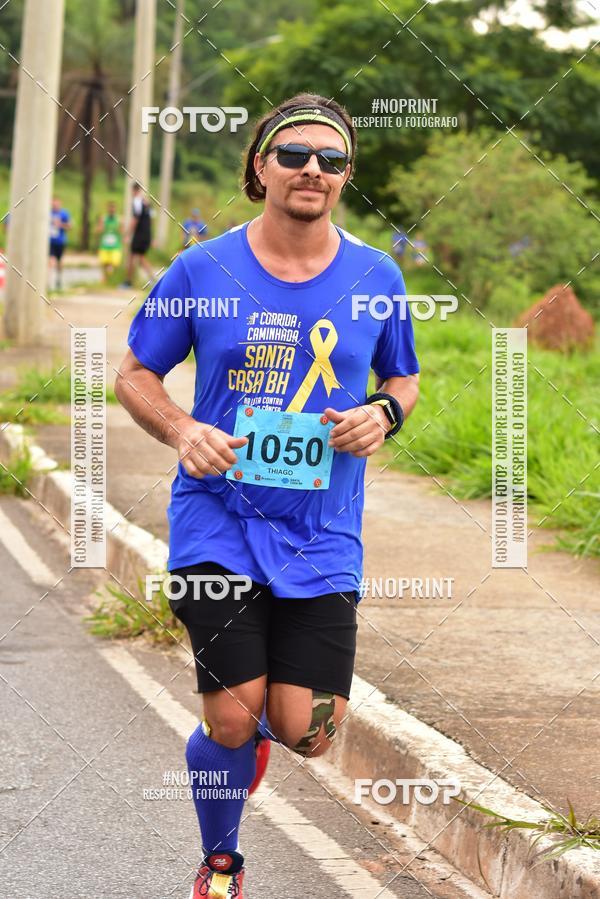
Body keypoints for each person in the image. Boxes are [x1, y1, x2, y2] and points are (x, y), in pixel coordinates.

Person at [115, 92, 420, 898]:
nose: (312, 169)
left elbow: (403, 376)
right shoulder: (202, 270)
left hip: (322, 532)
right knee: (230, 712)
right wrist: (183, 430)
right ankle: (221, 863)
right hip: (216, 518)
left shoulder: (377, 276)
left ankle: (245, 742)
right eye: (294, 154)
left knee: (305, 729)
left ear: (346, 175)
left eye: (331, 158)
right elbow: (135, 373)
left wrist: (382, 414)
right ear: (261, 165)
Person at [123, 182, 153, 287]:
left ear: (134, 190)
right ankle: (153, 279)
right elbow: (151, 219)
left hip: (139, 234)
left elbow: (135, 219)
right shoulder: (147, 202)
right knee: (141, 257)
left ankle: (128, 282)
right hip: (147, 233)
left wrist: (127, 233)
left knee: (131, 256)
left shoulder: (136, 201)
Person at [96, 201, 123, 281]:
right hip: (105, 245)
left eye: (113, 208)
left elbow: (122, 231)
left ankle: (112, 278)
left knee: (115, 263)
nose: (111, 210)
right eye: (110, 208)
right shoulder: (103, 219)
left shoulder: (119, 219)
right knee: (104, 263)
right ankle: (106, 279)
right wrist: (101, 225)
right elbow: (98, 230)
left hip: (115, 246)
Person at [49, 197, 71, 289]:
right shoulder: (48, 213)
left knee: (59, 261)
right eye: (53, 203)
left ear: (60, 204)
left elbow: (69, 226)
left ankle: (59, 279)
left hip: (60, 241)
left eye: (56, 203)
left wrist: (60, 224)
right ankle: (49, 281)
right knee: (51, 260)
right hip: (50, 241)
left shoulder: (64, 213)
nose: (55, 205)